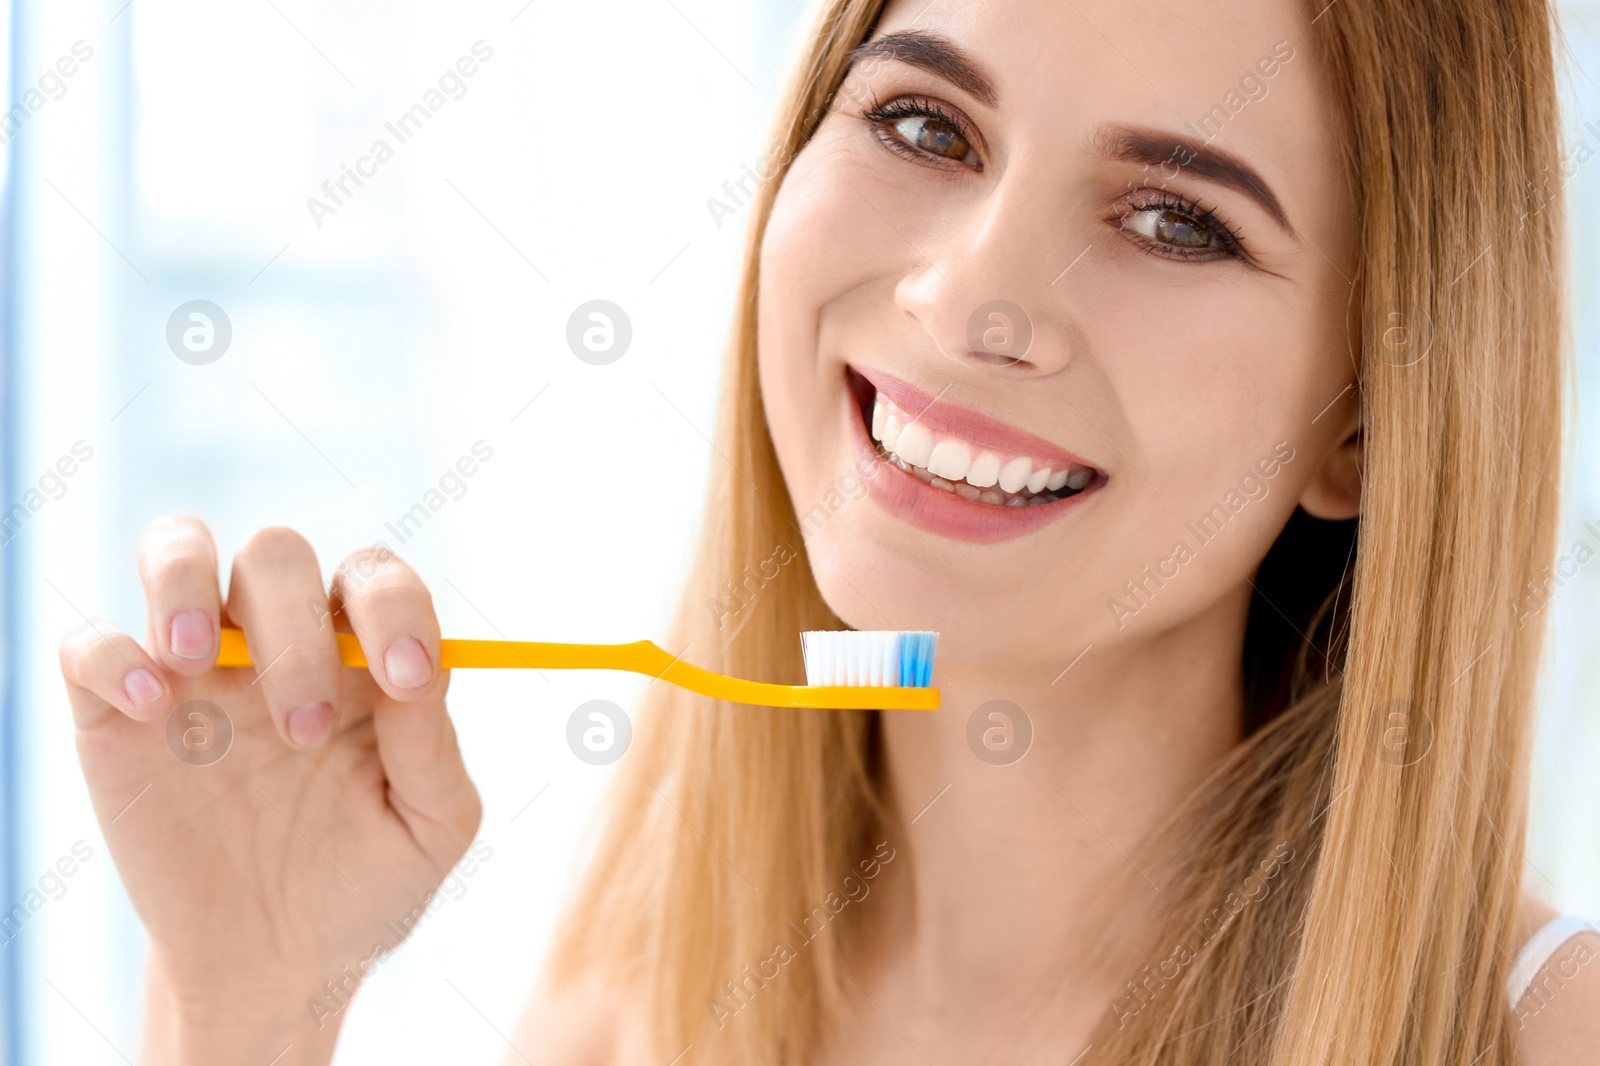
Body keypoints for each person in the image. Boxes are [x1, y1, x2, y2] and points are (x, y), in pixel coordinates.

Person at [57, 0, 1599, 1062]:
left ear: (1366, 416)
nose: (970, 299)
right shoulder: (626, 1018)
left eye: (1176, 219)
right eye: (927, 126)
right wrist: (242, 995)